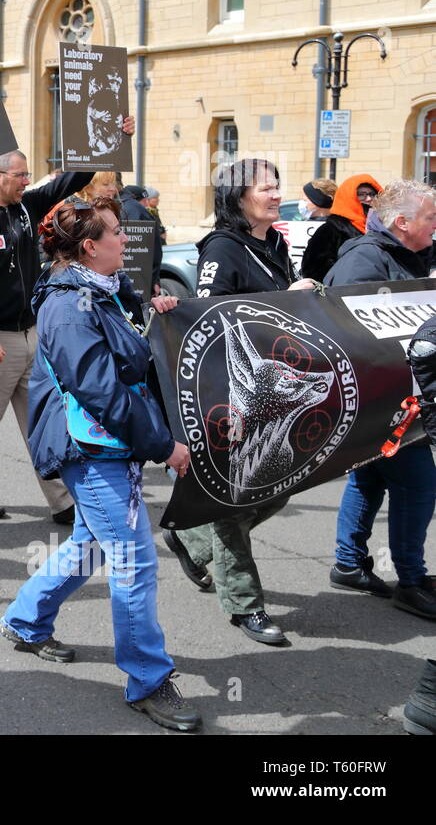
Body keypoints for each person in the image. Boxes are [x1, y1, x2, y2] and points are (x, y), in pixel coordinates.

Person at [0, 196, 201, 733]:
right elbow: (103, 393)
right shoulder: (69, 307)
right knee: (134, 567)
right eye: (115, 231)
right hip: (92, 450)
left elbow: (120, 347)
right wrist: (164, 446)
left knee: (90, 544)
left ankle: (25, 620)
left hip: (105, 446)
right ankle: (149, 681)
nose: (124, 238)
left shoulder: (98, 290)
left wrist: (149, 313)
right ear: (90, 246)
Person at [0, 128, 133, 523]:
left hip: (32, 336)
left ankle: (62, 498)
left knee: (45, 420)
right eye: (21, 175)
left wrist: (110, 140)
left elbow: (72, 178)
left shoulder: (26, 208)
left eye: (29, 175)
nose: (28, 181)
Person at [167, 159, 317, 646]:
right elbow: (210, 317)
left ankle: (190, 540)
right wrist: (285, 300)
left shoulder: (274, 242)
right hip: (231, 398)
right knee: (236, 500)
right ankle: (245, 605)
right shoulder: (223, 248)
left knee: (278, 487)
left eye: (278, 187)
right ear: (238, 197)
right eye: (266, 188)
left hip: (271, 392)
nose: (276, 195)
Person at [324, 180, 436, 620]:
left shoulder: (418, 257)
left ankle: (349, 564)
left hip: (407, 395)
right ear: (402, 222)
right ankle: (411, 580)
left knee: (368, 481)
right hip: (382, 402)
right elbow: (343, 330)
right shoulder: (364, 260)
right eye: (430, 217)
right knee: (419, 484)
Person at [300, 173, 377, 281]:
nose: (368, 198)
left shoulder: (384, 227)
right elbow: (313, 270)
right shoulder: (331, 230)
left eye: (372, 194)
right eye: (361, 194)